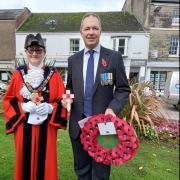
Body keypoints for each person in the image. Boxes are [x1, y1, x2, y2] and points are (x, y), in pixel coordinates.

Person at [62, 13, 131, 180]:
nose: (91, 32)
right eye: (87, 28)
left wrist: (112, 109)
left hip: (104, 127)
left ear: (101, 31)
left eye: (95, 28)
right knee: (82, 171)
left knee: (100, 174)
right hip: (78, 127)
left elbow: (123, 89)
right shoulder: (73, 60)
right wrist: (67, 98)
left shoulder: (114, 58)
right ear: (81, 32)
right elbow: (69, 87)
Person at [3, 33, 67, 180]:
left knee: (47, 163)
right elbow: (8, 100)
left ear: (44, 52)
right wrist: (22, 107)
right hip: (23, 127)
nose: (34, 53)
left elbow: (63, 99)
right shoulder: (18, 74)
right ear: (26, 52)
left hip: (47, 129)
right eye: (30, 50)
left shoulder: (54, 74)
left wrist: (52, 108)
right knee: (23, 163)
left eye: (38, 50)